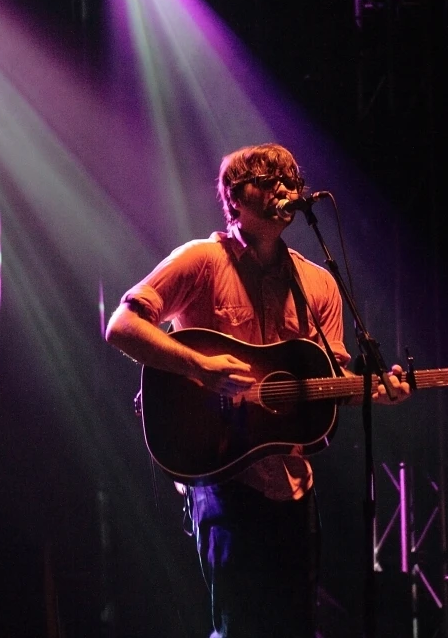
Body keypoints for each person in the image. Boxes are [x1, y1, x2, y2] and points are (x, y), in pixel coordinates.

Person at [105, 143, 409, 638]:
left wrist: (376, 391)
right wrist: (198, 366)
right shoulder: (202, 261)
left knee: (298, 625)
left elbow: (324, 381)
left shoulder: (318, 285)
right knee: (238, 625)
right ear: (234, 195)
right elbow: (122, 325)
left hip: (292, 478)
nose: (283, 191)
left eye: (289, 182)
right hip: (221, 471)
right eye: (267, 182)